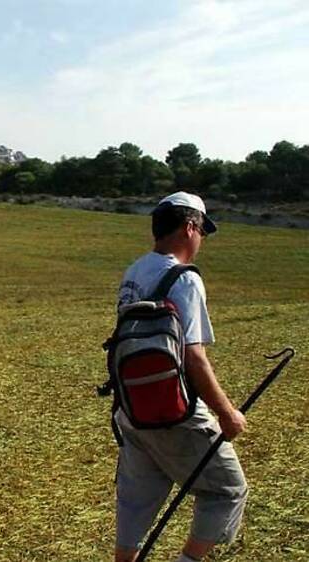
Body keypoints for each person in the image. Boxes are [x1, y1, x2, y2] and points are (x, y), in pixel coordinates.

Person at [114, 192, 248, 562]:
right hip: (176, 411)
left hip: (130, 408)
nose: (202, 239)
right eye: (202, 230)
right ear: (190, 227)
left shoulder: (135, 271)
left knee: (136, 499)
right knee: (227, 490)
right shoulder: (185, 279)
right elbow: (193, 356)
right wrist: (226, 413)